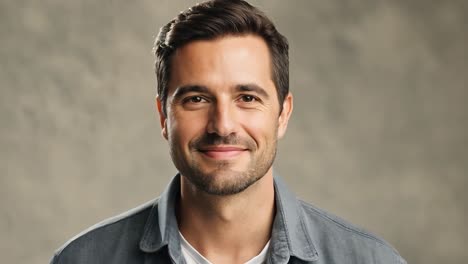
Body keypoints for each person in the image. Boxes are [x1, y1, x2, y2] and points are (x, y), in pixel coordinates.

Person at [50, 0, 406, 263]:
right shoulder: (83, 260)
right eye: (197, 98)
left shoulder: (370, 260)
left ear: (283, 114)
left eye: (247, 97)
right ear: (163, 116)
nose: (222, 125)